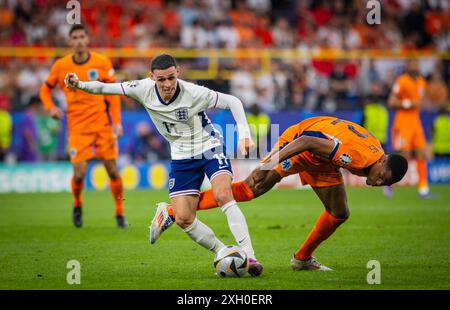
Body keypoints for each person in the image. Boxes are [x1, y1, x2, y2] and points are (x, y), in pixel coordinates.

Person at [64, 54, 264, 276]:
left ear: (177, 72)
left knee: (223, 195)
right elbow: (103, 88)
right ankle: (224, 254)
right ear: (152, 77)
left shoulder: (194, 93)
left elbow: (233, 101)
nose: (167, 84)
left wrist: (245, 135)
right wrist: (79, 84)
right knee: (184, 218)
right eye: (161, 80)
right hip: (181, 157)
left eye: (171, 77)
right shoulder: (141, 88)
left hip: (209, 146)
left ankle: (250, 256)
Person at [151, 116, 408, 271]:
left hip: (323, 160)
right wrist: (269, 162)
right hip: (299, 143)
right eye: (381, 176)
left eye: (383, 183)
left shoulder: (374, 157)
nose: (376, 182)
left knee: (339, 213)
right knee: (255, 186)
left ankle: (302, 260)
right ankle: (173, 211)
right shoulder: (359, 155)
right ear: (383, 160)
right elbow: (307, 140)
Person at [39, 24, 127, 228]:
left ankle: (120, 213)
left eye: (82, 37)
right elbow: (45, 90)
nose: (78, 40)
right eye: (75, 37)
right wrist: (50, 108)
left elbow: (113, 95)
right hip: (78, 127)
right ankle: (77, 205)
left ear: (87, 40)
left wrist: (116, 122)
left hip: (102, 125)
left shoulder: (102, 62)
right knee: (79, 173)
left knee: (112, 171)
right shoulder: (61, 66)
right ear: (70, 42)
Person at [387, 59, 432, 198]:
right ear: (408, 66)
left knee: (422, 153)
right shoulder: (402, 81)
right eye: (413, 63)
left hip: (416, 122)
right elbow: (392, 101)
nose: (416, 65)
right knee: (403, 156)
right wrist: (409, 103)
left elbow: (421, 101)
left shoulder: (421, 82)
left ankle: (423, 190)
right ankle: (388, 184)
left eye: (417, 63)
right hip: (403, 122)